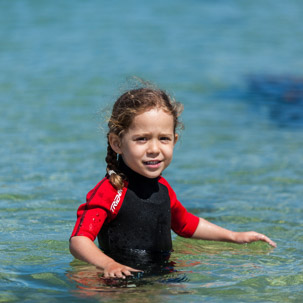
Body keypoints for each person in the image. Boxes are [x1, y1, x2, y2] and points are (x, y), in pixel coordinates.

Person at [70, 86, 276, 280]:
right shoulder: (111, 191)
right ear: (117, 143)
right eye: (142, 139)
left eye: (164, 139)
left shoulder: (164, 189)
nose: (154, 148)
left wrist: (234, 236)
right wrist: (108, 265)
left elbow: (186, 224)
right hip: (121, 280)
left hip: (163, 275)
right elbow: (79, 240)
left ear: (175, 140)